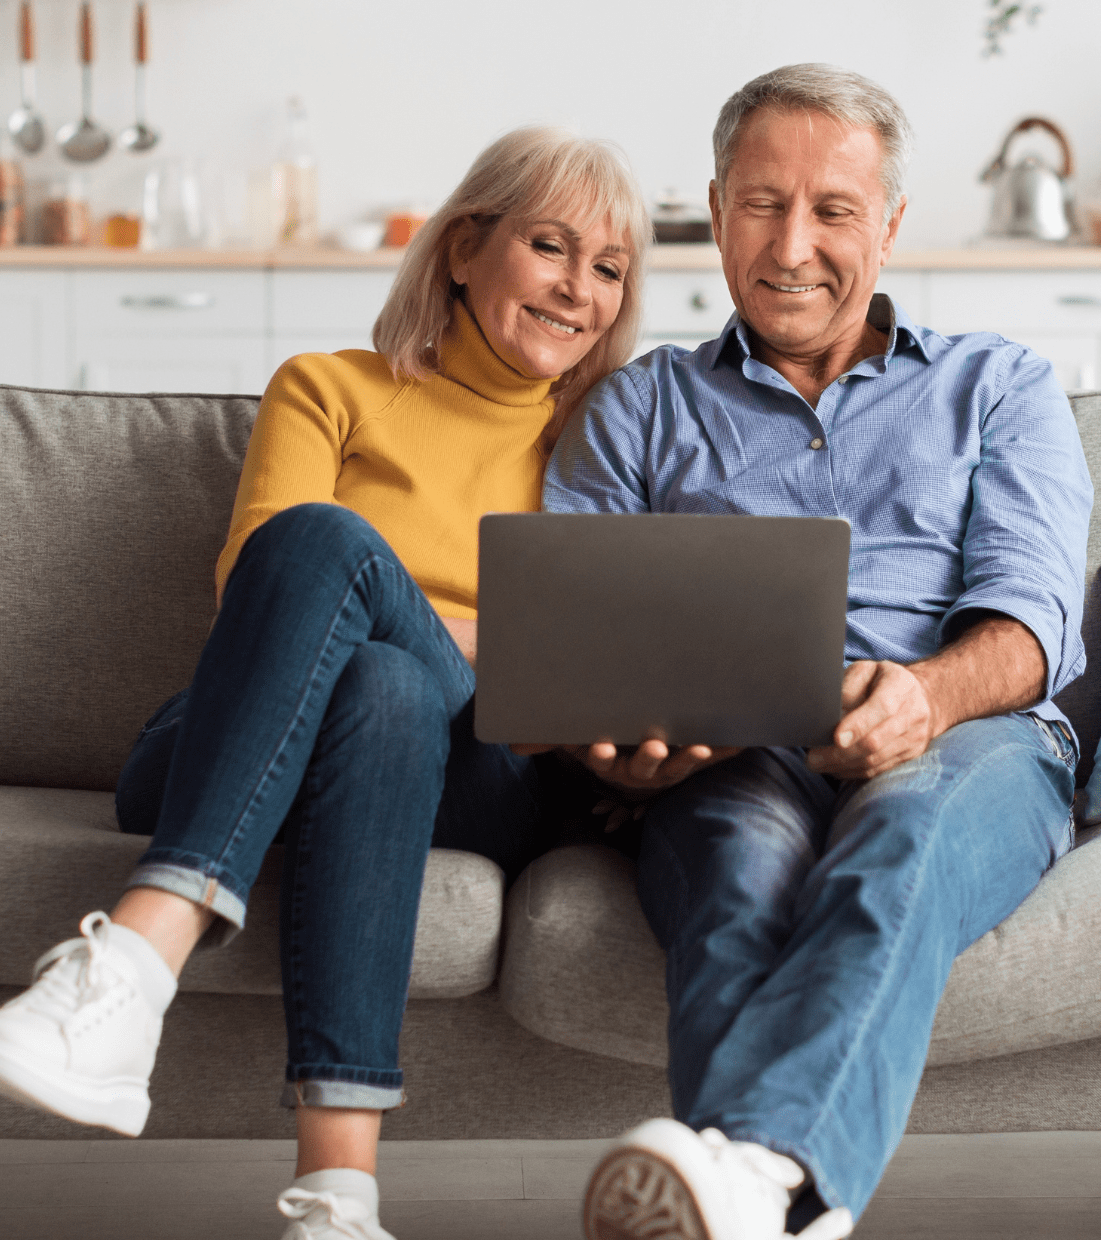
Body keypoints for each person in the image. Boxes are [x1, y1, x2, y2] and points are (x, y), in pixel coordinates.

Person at [0, 126, 652, 1240]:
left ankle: (132, 968)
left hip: (479, 770)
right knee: (356, 633)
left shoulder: (606, 441)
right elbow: (259, 585)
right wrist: (490, 631)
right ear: (462, 248)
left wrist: (444, 631)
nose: (580, 290)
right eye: (552, 247)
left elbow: (584, 658)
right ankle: (335, 1205)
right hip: (235, 734)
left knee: (365, 608)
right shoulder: (327, 389)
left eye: (610, 268)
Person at [542, 64, 1092, 1240]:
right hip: (730, 756)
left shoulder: (1001, 385)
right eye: (761, 203)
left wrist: (926, 698)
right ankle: (781, 1207)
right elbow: (572, 640)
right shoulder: (638, 408)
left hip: (968, 741)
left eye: (834, 210)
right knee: (735, 874)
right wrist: (616, 755)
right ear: (715, 207)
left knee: (902, 831)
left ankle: (759, 1171)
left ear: (889, 226)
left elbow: (1037, 620)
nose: (793, 245)